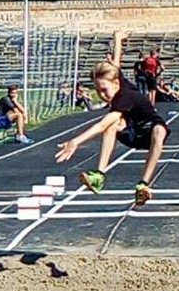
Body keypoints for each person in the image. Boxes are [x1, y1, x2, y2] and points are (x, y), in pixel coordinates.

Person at [55, 31, 170, 206]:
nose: (102, 95)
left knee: (159, 130)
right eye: (97, 91)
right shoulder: (116, 79)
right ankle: (99, 176)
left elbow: (102, 125)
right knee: (113, 124)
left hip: (149, 133)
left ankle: (143, 184)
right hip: (132, 132)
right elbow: (116, 63)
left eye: (104, 90)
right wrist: (118, 40)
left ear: (116, 83)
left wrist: (75, 141)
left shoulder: (125, 97)